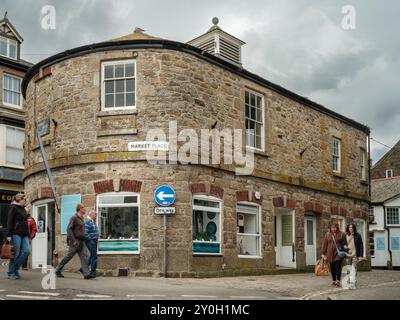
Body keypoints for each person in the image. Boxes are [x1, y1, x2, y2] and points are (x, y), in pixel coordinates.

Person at [55, 203, 93, 279]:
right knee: (68, 256)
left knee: (84, 257)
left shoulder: (81, 218)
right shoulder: (74, 218)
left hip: (81, 241)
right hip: (75, 241)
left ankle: (86, 273)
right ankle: (58, 269)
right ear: (80, 209)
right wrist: (73, 240)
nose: (85, 209)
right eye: (84, 208)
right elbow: (69, 229)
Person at [6, 193, 30, 280]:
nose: (25, 201)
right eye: (24, 200)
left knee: (27, 251)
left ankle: (15, 268)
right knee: (15, 253)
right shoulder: (13, 208)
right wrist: (8, 235)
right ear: (19, 199)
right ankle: (11, 272)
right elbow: (9, 222)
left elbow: (25, 222)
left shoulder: (24, 209)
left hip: (24, 233)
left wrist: (27, 213)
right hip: (16, 233)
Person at [321, 222, 346, 287]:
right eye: (332, 228)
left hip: (338, 253)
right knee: (332, 267)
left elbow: (344, 244)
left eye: (335, 228)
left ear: (337, 228)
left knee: (338, 266)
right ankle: (334, 280)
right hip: (330, 253)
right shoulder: (327, 234)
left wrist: (345, 250)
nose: (334, 229)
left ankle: (338, 280)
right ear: (330, 228)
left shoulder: (341, 234)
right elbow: (325, 244)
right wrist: (323, 253)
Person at [343, 223, 364, 288]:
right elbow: (343, 245)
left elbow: (361, 246)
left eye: (352, 227)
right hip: (348, 255)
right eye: (349, 227)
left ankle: (353, 283)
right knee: (348, 269)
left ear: (354, 228)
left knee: (354, 269)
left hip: (355, 254)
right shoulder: (345, 235)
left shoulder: (358, 235)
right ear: (348, 228)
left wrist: (360, 256)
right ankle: (349, 283)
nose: (350, 229)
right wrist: (347, 250)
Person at [84, 210, 99, 278]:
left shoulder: (92, 221)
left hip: (94, 240)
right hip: (91, 241)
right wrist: (90, 239)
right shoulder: (88, 221)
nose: (96, 216)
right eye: (95, 214)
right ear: (91, 215)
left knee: (92, 256)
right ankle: (92, 272)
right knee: (94, 256)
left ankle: (83, 269)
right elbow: (85, 232)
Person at [22, 206, 37, 270]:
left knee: (26, 251)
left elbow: (34, 229)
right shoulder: (20, 218)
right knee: (18, 251)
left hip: (27, 238)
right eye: (24, 211)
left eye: (26, 211)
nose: (25, 212)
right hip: (19, 236)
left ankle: (24, 266)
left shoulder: (31, 219)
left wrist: (31, 237)